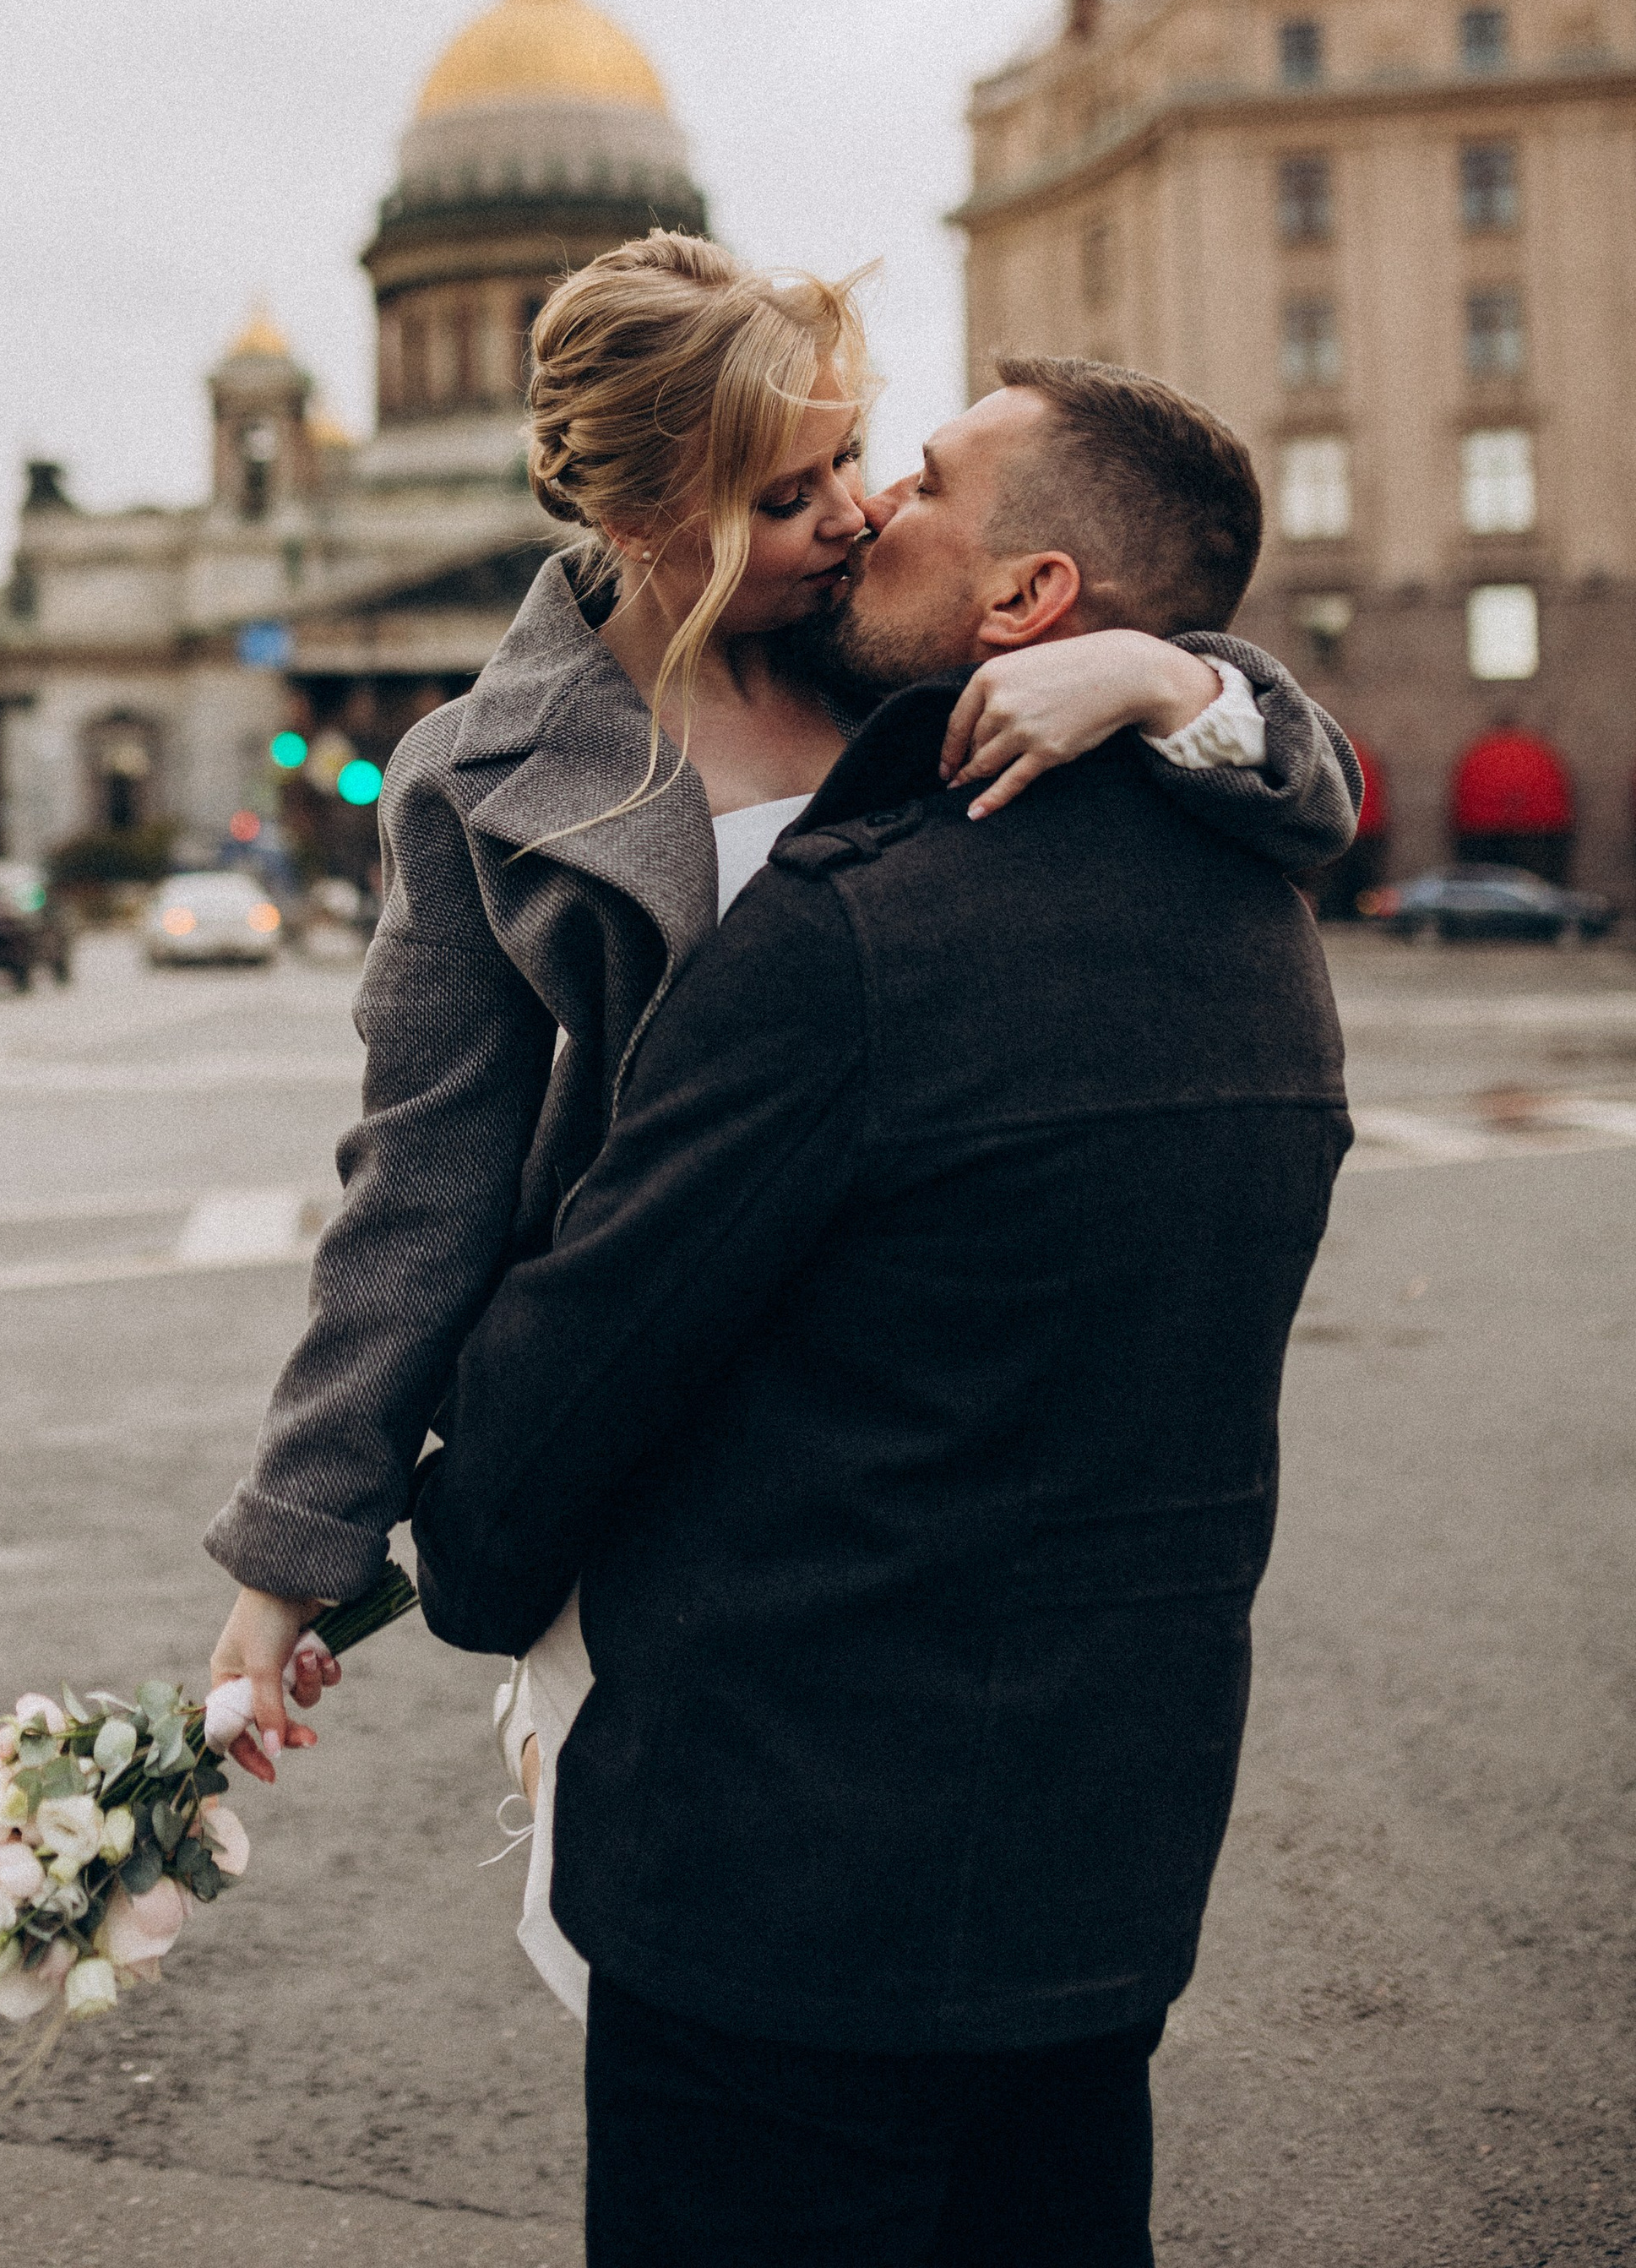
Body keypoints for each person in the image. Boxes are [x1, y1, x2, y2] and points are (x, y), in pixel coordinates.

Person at [202, 241, 1357, 2012]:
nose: (853, 512)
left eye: (854, 460)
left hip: (932, 1403)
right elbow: (419, 1176)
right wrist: (291, 1560)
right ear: (648, 504)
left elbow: (1301, 778)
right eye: (788, 488)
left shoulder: (898, 653)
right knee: (706, 1948)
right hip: (668, 1412)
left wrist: (1152, 683)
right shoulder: (471, 775)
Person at [409, 353, 1353, 2265]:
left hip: (779, 1892)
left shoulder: (843, 935)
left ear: (1026, 607)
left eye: (915, 481)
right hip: (1096, 1882)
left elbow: (568, 1380)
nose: (861, 515)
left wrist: (453, 1552)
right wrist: (1193, 679)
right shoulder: (1265, 934)